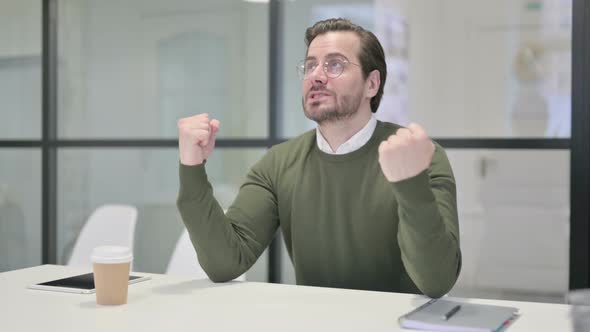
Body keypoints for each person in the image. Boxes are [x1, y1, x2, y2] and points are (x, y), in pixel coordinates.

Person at [176, 18, 461, 298]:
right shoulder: (278, 163)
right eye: (310, 65)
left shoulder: (420, 156)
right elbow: (225, 263)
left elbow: (436, 281)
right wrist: (191, 167)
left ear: (371, 84)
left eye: (335, 64)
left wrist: (411, 183)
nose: (316, 75)